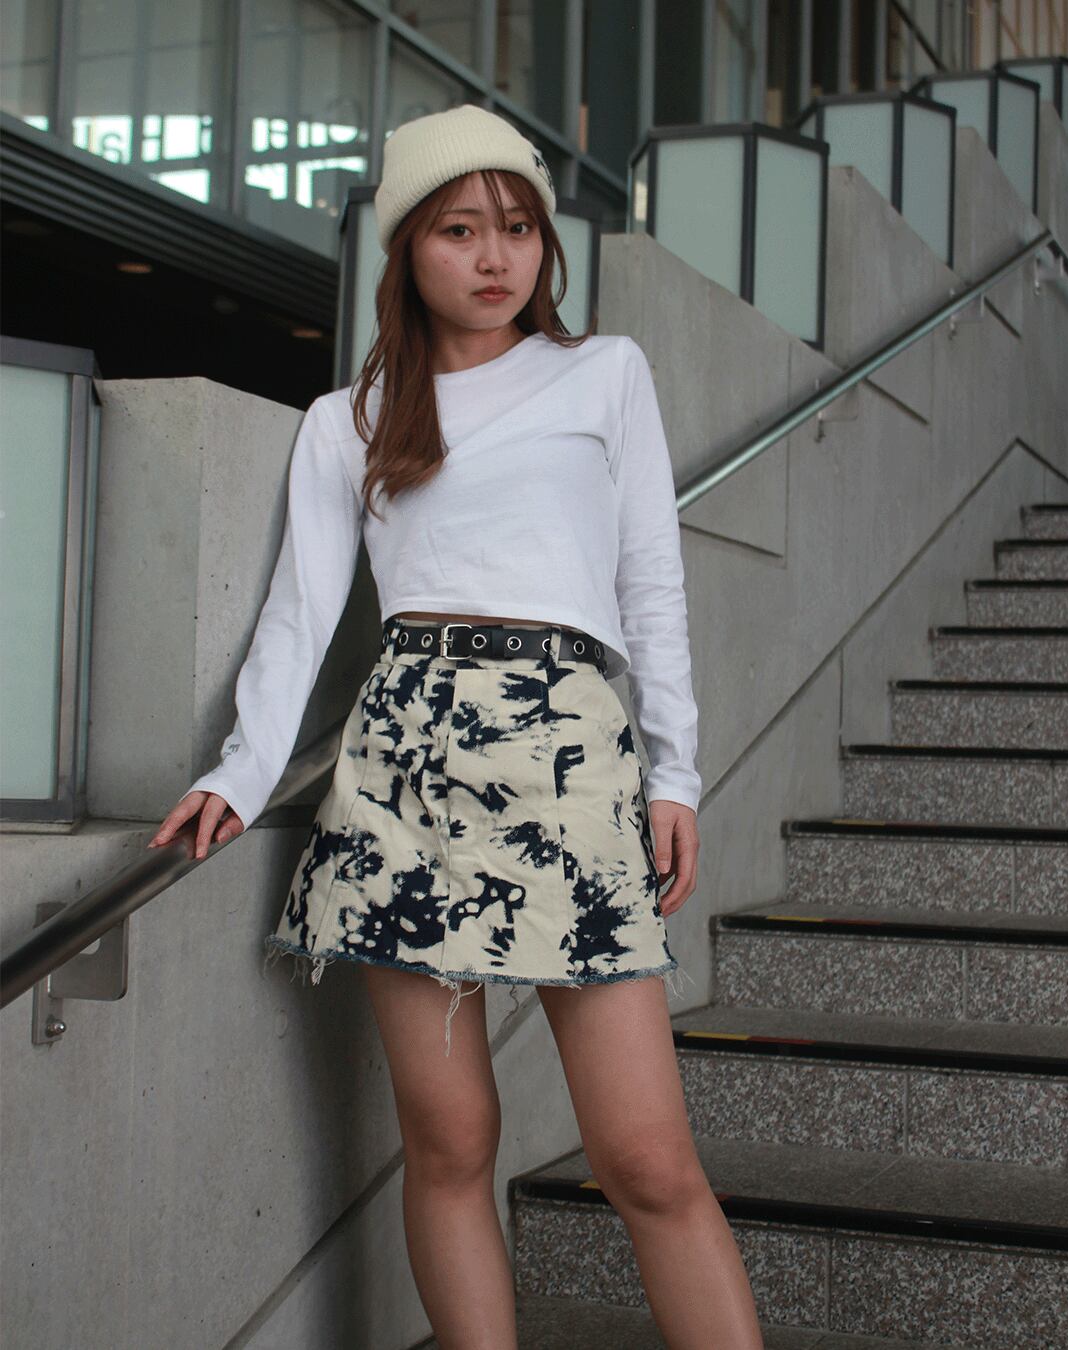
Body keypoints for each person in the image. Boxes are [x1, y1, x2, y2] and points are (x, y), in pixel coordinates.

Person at [148, 104, 763, 1349]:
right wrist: (242, 770)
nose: (496, 257)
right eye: (460, 229)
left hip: (570, 756)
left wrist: (678, 775)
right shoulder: (351, 417)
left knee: (646, 1157)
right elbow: (300, 614)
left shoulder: (605, 374)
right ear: (406, 248)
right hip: (406, 771)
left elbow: (653, 585)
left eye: (519, 228)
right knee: (449, 1141)